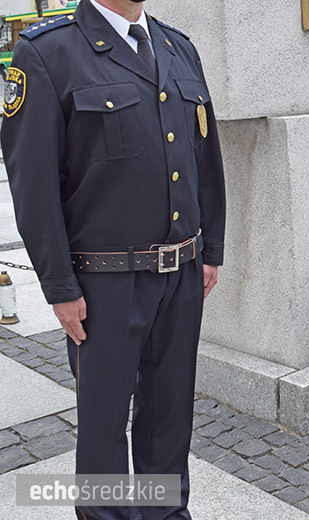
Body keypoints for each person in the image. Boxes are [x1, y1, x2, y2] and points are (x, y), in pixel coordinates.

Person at [1, 0, 225, 518]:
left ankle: (166, 512)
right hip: (102, 284)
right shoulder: (47, 51)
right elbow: (33, 186)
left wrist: (209, 248)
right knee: (103, 424)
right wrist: (59, 286)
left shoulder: (178, 47)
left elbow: (205, 159)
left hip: (183, 274)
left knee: (168, 415)